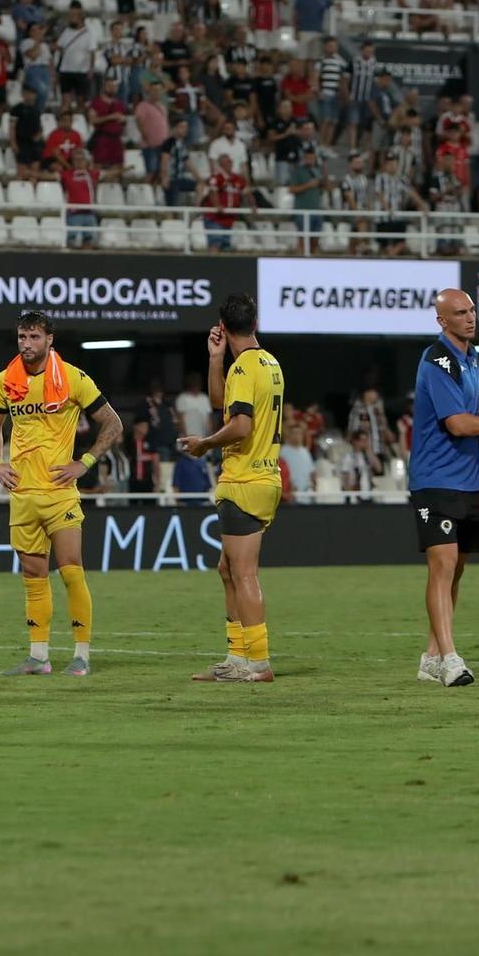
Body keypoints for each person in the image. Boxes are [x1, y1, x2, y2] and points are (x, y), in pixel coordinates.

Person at [0, 312, 121, 677]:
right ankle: (38, 656)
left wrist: (85, 462)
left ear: (50, 340)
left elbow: (113, 422)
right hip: (23, 494)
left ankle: (81, 655)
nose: (26, 344)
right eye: (22, 337)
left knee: (71, 570)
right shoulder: (6, 380)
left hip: (60, 493)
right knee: (33, 576)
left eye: (34, 337)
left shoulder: (74, 377)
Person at [176, 293, 284, 684]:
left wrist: (204, 444)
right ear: (255, 322)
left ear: (222, 325)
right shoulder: (269, 363)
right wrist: (215, 359)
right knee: (228, 569)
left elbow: (240, 425)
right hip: (264, 478)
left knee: (244, 574)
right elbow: (224, 403)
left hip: (244, 481)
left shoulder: (244, 368)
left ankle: (257, 662)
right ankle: (237, 657)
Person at [408, 289, 479, 688]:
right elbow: (458, 424)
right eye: (460, 313)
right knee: (443, 566)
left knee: (456, 570)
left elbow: (475, 405)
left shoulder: (471, 357)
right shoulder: (438, 360)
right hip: (436, 480)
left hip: (469, 479)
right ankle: (451, 659)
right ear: (442, 321)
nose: (470, 317)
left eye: (472, 310)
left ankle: (431, 657)